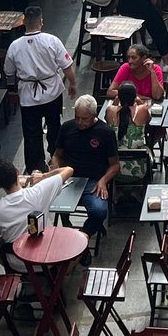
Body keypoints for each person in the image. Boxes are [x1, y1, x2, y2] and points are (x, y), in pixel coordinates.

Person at [3, 6, 76, 173]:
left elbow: (9, 72)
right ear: (41, 22)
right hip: (52, 92)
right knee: (54, 126)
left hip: (28, 96)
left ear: (23, 23)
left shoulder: (15, 46)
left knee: (31, 134)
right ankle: (56, 160)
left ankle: (35, 169)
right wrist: (72, 84)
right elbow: (67, 66)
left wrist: (12, 89)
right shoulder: (52, 41)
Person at [51, 95, 120, 245]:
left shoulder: (105, 133)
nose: (80, 122)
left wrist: (103, 180)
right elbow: (57, 154)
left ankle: (82, 238)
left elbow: (115, 165)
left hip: (93, 183)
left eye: (85, 119)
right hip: (69, 180)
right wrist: (55, 168)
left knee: (99, 211)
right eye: (77, 117)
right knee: (52, 205)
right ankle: (67, 227)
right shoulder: (67, 127)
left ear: (94, 115)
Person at [0, 157, 73, 250]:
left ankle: (6, 265)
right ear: (17, 173)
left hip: (15, 259)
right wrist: (44, 175)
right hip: (44, 257)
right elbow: (69, 170)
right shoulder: (39, 192)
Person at [105, 81, 152, 188]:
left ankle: (118, 191)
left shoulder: (110, 111)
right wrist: (139, 102)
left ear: (119, 96)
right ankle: (137, 191)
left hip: (114, 170)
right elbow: (148, 119)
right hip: (139, 171)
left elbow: (107, 117)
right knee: (148, 149)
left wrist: (116, 101)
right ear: (135, 96)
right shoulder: (142, 110)